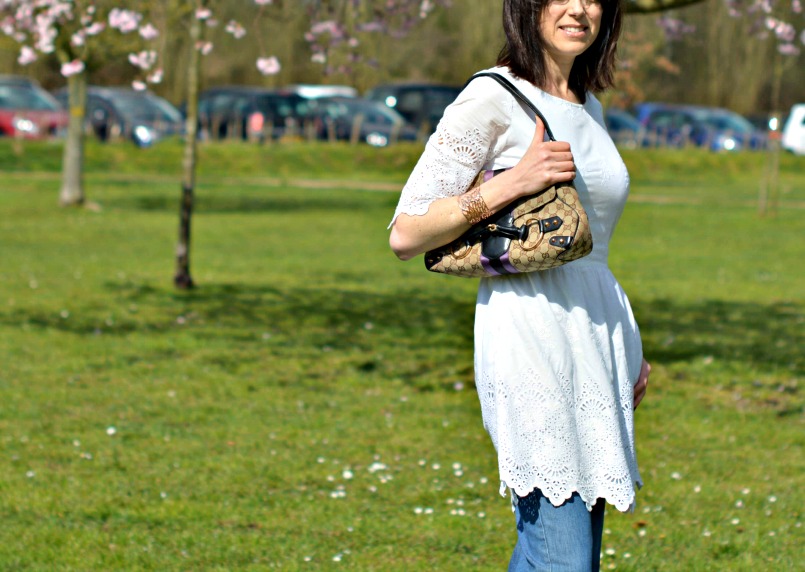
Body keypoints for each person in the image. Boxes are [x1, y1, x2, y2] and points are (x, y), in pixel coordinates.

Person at [388, 0, 651, 569]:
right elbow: (406, 233)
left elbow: (592, 244)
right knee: (563, 558)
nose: (580, 8)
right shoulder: (492, 96)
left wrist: (629, 343)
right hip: (529, 333)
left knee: (564, 555)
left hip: (597, 338)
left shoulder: (590, 107)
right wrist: (515, 182)